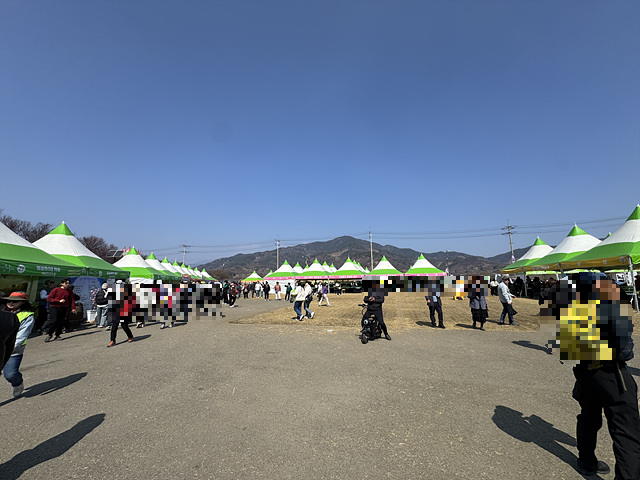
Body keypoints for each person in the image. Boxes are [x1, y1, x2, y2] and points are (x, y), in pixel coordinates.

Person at [545, 273, 640, 478]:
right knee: (626, 431)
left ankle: (587, 461)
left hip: (583, 373)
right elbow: (625, 351)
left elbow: (563, 353)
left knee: (588, 418)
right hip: (612, 374)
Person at [1, 292, 35, 397]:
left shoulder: (27, 316)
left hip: (13, 350)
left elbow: (21, 336)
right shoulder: (2, 312)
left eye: (15, 301)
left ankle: (17, 383)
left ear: (22, 303)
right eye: (9, 300)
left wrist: (11, 348)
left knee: (10, 374)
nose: (11, 303)